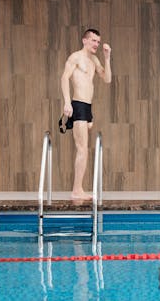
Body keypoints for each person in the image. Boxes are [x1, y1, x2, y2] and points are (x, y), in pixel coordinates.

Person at [60, 28, 111, 200]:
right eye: (93, 40)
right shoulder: (76, 57)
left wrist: (107, 58)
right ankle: (77, 190)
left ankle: (78, 188)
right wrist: (67, 102)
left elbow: (107, 79)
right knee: (82, 149)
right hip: (78, 105)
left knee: (85, 149)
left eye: (98, 41)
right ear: (85, 40)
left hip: (88, 108)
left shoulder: (94, 60)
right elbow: (64, 78)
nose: (96, 44)